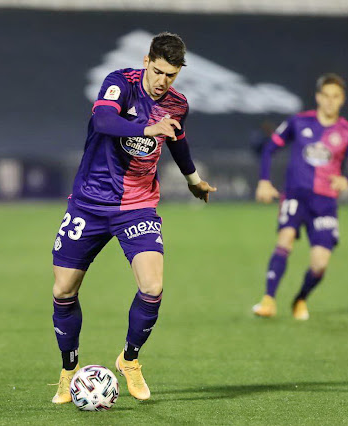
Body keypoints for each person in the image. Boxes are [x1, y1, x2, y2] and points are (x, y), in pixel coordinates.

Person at [50, 32, 216, 403]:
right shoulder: (119, 84)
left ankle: (129, 360)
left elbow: (178, 140)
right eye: (158, 71)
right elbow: (105, 122)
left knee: (152, 287)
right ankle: (68, 370)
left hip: (138, 206)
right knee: (63, 290)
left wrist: (193, 180)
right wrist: (147, 127)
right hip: (89, 203)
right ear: (146, 61)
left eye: (171, 75)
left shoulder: (176, 103)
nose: (162, 82)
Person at [252, 73, 348, 320]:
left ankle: (300, 299)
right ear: (317, 97)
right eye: (325, 95)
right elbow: (269, 148)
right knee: (284, 240)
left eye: (335, 96)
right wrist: (264, 181)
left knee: (319, 265)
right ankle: (268, 299)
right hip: (295, 195)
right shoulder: (299, 121)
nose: (329, 101)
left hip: (325, 203)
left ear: (342, 100)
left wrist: (347, 179)